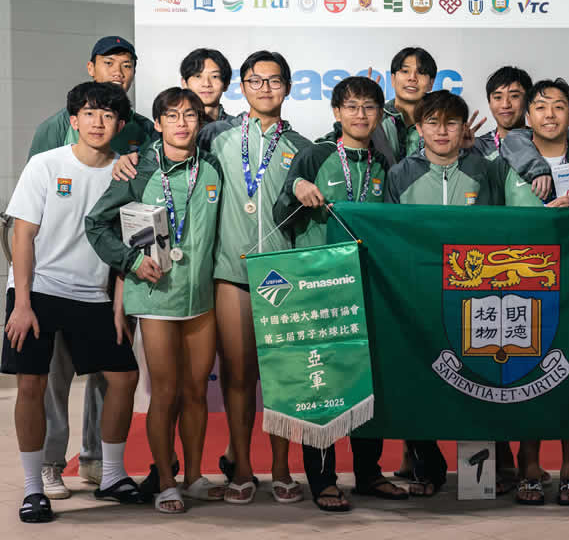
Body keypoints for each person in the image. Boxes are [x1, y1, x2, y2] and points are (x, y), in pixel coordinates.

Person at [113, 50, 312, 505]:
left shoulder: (303, 145)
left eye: (274, 80)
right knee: (238, 377)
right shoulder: (217, 138)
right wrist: (132, 161)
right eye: (255, 81)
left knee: (281, 377)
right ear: (242, 87)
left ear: (288, 86)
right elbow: (169, 158)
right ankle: (242, 468)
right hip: (228, 274)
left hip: (283, 274)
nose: (265, 88)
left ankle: (281, 468)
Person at [4, 82, 147, 523]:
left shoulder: (125, 174)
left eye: (107, 116)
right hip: (40, 290)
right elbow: (21, 233)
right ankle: (33, 488)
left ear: (120, 125)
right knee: (32, 384)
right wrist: (22, 302)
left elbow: (128, 244)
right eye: (89, 114)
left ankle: (111, 475)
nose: (98, 122)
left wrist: (119, 304)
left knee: (123, 378)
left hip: (94, 294)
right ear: (73, 120)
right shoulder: (46, 165)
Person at [85, 88, 226, 514]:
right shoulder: (140, 170)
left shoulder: (214, 168)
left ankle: (194, 475)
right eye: (172, 116)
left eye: (190, 115)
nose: (182, 123)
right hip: (156, 297)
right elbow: (96, 224)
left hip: (201, 297)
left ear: (199, 123)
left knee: (197, 391)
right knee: (164, 392)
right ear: (158, 123)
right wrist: (129, 262)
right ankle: (166, 480)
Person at [272, 76, 407, 511]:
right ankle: (324, 480)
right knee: (323, 384)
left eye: (369, 107)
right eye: (351, 107)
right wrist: (297, 189)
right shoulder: (316, 154)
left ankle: (368, 474)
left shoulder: (386, 164)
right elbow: (280, 212)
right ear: (336, 113)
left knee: (370, 384)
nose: (361, 115)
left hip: (368, 286)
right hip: (319, 290)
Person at [385, 90, 505, 497]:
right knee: (419, 381)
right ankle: (428, 467)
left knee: (480, 382)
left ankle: (480, 474)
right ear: (418, 128)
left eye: (450, 122)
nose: (441, 131)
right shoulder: (400, 173)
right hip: (416, 294)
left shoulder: (485, 169)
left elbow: (511, 221)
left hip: (476, 295)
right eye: (432, 122)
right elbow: (388, 235)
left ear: (463, 128)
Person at [502, 78, 569, 507]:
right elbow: (492, 226)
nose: (549, 114)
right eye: (540, 107)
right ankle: (529, 465)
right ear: (528, 115)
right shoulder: (508, 161)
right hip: (523, 289)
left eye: (558, 107)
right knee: (526, 380)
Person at [180, 48, 234, 123]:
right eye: (198, 76)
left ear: (226, 84)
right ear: (184, 83)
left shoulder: (239, 128)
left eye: (214, 76)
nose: (206, 84)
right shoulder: (174, 127)